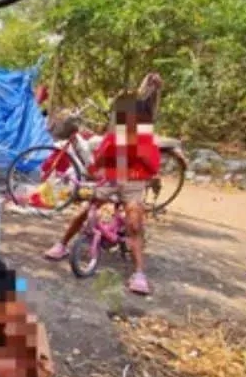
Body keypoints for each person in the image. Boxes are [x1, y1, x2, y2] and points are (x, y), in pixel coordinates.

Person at [44, 73, 163, 295]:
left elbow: (152, 165)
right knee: (88, 207)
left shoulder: (145, 135)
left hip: (135, 181)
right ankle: (62, 244)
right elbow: (99, 161)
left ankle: (139, 273)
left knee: (134, 223)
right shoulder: (116, 133)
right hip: (112, 178)